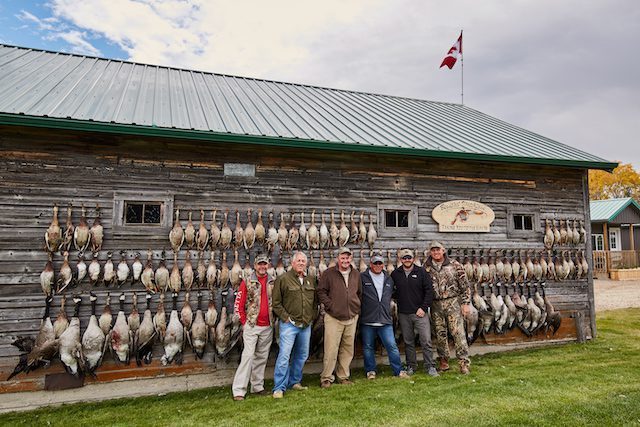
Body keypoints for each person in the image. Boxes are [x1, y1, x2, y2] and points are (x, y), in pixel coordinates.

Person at [271, 251, 318, 398]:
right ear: (292, 263)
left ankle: (295, 381)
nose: (301, 263)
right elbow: (276, 304)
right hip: (289, 325)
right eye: (299, 261)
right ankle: (279, 387)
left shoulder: (311, 279)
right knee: (284, 356)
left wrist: (311, 317)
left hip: (305, 325)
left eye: (303, 261)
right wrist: (286, 318)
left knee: (302, 355)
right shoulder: (283, 279)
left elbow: (315, 302)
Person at [424, 241, 471, 375]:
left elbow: (465, 286)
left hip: (452, 303)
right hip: (435, 304)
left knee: (458, 333)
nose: (436, 252)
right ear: (430, 252)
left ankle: (463, 363)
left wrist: (466, 303)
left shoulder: (455, 265)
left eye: (438, 250)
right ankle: (443, 361)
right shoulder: (426, 267)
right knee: (440, 334)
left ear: (443, 250)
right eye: (433, 250)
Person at [231, 254, 274, 401]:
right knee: (248, 356)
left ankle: (257, 387)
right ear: (255, 266)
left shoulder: (272, 281)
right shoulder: (247, 281)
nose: (262, 267)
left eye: (265, 264)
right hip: (252, 325)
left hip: (267, 326)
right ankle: (239, 390)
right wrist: (244, 322)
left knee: (261, 357)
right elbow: (239, 303)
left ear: (268, 265)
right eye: (260, 264)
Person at [317, 246, 362, 387]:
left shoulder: (356, 274)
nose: (345, 260)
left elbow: (359, 292)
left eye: (348, 257)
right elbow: (321, 292)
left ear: (351, 259)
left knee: (347, 349)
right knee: (331, 349)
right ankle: (326, 377)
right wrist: (331, 305)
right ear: (338, 258)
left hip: (351, 317)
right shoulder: (329, 273)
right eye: (343, 257)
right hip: (334, 318)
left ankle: (343, 376)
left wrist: (356, 307)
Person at [360, 251, 409, 379]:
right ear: (370, 264)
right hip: (368, 319)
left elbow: (395, 294)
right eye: (375, 263)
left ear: (383, 265)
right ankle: (371, 371)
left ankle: (398, 371)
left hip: (385, 320)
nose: (377, 265)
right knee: (368, 347)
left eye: (380, 263)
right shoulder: (362, 277)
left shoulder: (389, 278)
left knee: (392, 346)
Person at [390, 248, 438, 377]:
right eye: (404, 258)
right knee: (408, 341)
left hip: (420, 313)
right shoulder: (395, 274)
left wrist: (423, 308)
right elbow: (392, 291)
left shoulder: (421, 272)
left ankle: (430, 366)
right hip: (404, 313)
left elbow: (429, 291)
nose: (407, 260)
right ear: (401, 259)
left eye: (409, 258)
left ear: (413, 258)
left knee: (426, 340)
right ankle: (411, 365)